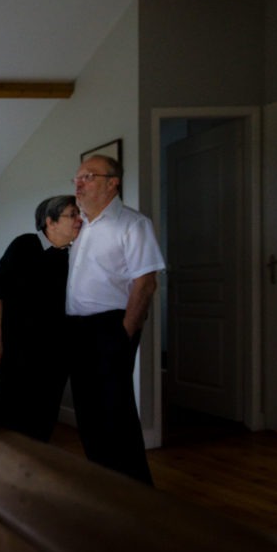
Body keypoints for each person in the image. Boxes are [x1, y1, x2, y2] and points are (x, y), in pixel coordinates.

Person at [66, 155, 165, 484]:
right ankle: (102, 483)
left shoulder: (133, 224)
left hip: (111, 326)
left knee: (114, 410)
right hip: (77, 328)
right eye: (77, 178)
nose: (79, 183)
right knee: (88, 411)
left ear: (113, 183)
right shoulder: (76, 225)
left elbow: (146, 282)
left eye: (88, 177)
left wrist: (125, 332)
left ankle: (135, 489)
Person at [0, 195, 81, 440]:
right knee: (13, 415)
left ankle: (37, 469)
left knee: (45, 416)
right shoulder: (24, 246)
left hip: (55, 351)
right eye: (72, 215)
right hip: (18, 348)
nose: (79, 220)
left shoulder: (74, 255)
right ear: (50, 222)